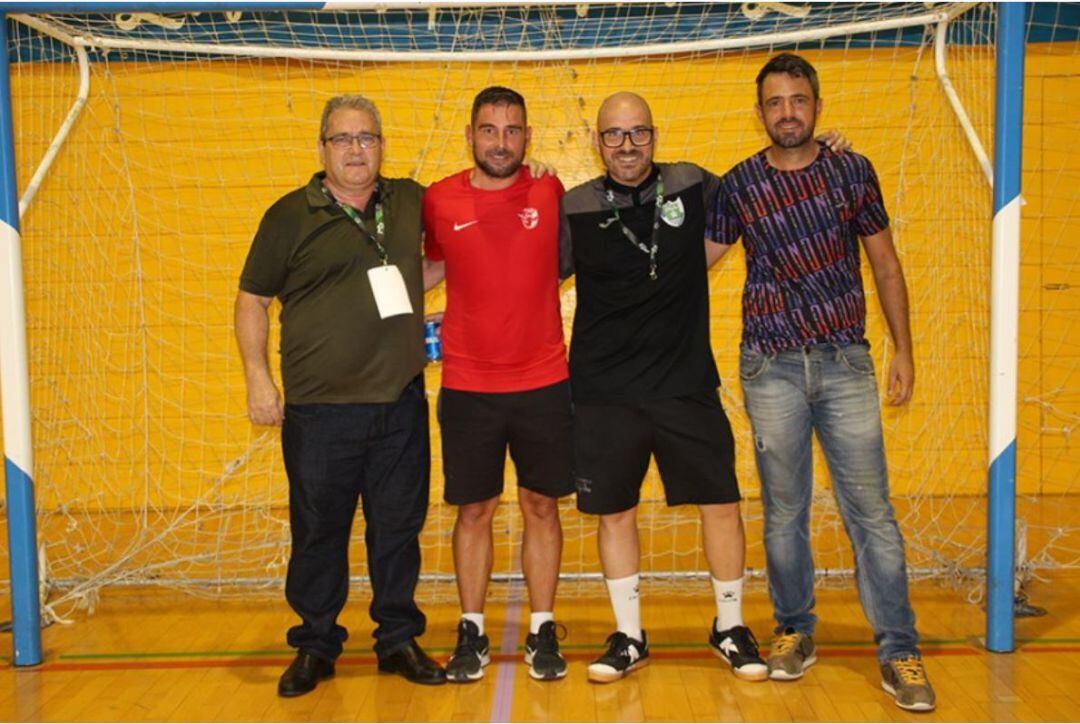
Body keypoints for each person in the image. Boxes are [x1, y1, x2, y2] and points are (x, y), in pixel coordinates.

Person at [710, 53, 935, 712]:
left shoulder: (851, 170)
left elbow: (886, 266)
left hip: (846, 365)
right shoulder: (739, 185)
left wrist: (904, 350)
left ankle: (899, 649)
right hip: (770, 368)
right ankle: (793, 631)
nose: (788, 112)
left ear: (817, 106)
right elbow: (692, 264)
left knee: (873, 516)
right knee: (784, 515)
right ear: (760, 112)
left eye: (799, 100)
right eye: (775, 102)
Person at [235, 94, 446, 697]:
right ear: (322, 147)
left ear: (382, 145)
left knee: (398, 530)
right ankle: (316, 645)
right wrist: (257, 377)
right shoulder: (288, 215)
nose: (357, 150)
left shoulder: (411, 201)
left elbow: (460, 227)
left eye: (367, 138)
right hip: (318, 410)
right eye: (343, 139)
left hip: (400, 403)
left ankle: (398, 639)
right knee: (318, 531)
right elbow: (252, 299)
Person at [560, 92, 769, 684]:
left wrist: (821, 149)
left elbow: (766, 183)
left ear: (655, 134)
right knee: (616, 513)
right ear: (597, 141)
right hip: (604, 390)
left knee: (722, 506)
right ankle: (629, 636)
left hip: (686, 384)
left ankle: (729, 627)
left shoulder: (695, 183)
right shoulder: (573, 206)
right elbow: (528, 274)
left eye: (638, 132)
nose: (627, 145)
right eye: (614, 135)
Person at [421, 86, 573, 683]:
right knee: (475, 510)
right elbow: (433, 266)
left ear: (528, 138)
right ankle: (472, 630)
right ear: (471, 135)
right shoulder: (439, 198)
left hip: (543, 380)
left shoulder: (549, 189)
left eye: (513, 130)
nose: (501, 141)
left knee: (541, 505)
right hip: (467, 383)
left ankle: (541, 629)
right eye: (490, 129)